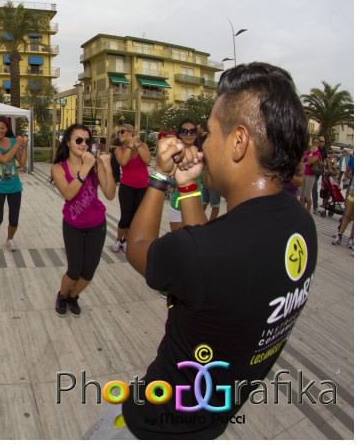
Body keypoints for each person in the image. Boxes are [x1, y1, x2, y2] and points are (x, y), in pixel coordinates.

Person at [86, 62, 316, 440]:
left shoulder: (203, 254)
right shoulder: (301, 228)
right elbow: (209, 262)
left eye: (209, 133)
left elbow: (138, 247)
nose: (202, 145)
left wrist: (159, 178)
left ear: (239, 141)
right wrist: (188, 188)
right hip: (209, 423)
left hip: (153, 425)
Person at [50, 125, 115, 317]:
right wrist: (84, 169)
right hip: (73, 225)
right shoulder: (58, 168)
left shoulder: (95, 165)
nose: (84, 144)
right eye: (79, 140)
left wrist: (107, 166)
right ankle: (62, 295)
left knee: (88, 272)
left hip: (97, 224)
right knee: (74, 270)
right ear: (68, 142)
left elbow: (110, 194)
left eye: (87, 141)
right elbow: (69, 194)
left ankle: (73, 297)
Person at [0, 119, 28, 251]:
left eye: (3, 128)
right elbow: (3, 159)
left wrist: (23, 146)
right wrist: (17, 144)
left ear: (6, 129)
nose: (0, 130)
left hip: (15, 187)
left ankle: (10, 239)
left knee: (14, 219)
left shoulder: (13, 142)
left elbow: (22, 162)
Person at [111, 124, 150, 252]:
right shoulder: (119, 150)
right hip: (126, 187)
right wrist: (129, 145)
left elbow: (147, 160)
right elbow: (123, 162)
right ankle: (118, 239)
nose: (119, 134)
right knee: (125, 217)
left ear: (131, 132)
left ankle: (126, 240)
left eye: (122, 131)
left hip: (142, 187)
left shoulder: (142, 146)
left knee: (135, 217)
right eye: (118, 133)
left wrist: (137, 145)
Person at [167, 119, 204, 232]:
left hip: (197, 202)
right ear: (179, 134)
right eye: (184, 131)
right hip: (178, 204)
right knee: (179, 245)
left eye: (192, 131)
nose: (189, 134)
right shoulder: (174, 153)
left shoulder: (201, 153)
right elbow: (169, 177)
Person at [196, 121, 222, 220]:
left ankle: (212, 224)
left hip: (213, 174)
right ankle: (201, 221)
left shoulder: (210, 139)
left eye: (198, 127)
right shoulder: (199, 138)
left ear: (202, 128)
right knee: (204, 201)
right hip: (205, 173)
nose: (196, 129)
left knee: (215, 203)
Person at [300, 137, 320, 212]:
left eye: (317, 143)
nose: (315, 144)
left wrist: (310, 154)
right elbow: (301, 159)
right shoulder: (307, 151)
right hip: (303, 174)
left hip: (310, 175)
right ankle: (301, 211)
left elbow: (310, 161)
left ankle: (308, 212)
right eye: (314, 142)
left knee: (307, 195)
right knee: (301, 194)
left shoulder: (318, 153)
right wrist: (308, 156)